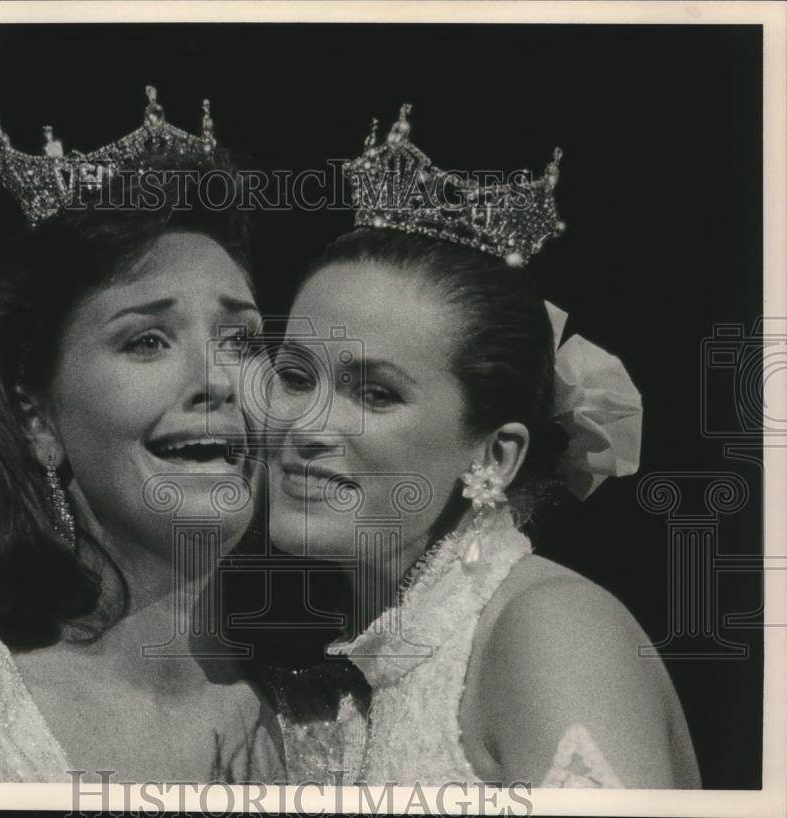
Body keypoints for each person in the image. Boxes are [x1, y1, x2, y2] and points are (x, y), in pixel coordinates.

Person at [0, 89, 285, 782]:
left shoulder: (329, 713)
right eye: (148, 341)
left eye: (242, 340)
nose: (216, 380)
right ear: (37, 420)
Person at [258, 104, 701, 788]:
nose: (306, 426)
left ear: (494, 456)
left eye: (375, 393)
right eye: (294, 376)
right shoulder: (361, 661)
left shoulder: (551, 630)